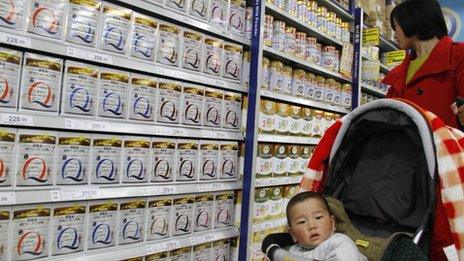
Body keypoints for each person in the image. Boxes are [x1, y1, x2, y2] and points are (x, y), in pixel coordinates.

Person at [382, 0, 464, 129]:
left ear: (412, 20)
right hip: (404, 147)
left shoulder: (458, 55)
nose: (394, 33)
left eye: (396, 26)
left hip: (445, 146)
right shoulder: (399, 72)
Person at [285, 191, 367, 260]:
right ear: (292, 233)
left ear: (332, 222)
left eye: (318, 217)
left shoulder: (339, 243)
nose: (312, 226)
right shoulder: (292, 251)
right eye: (302, 222)